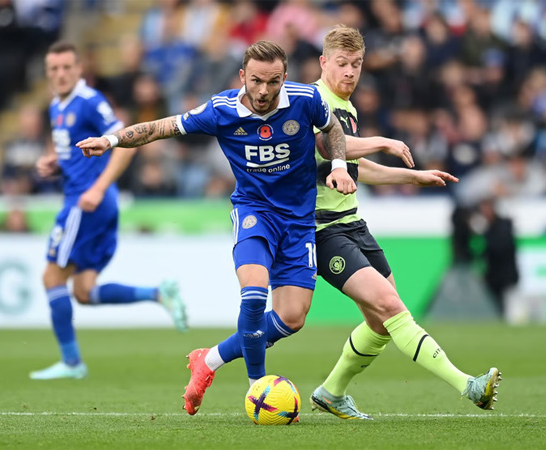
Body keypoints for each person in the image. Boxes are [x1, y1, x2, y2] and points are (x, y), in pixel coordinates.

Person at [166, 27, 501, 419]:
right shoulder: (306, 100)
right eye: (341, 64)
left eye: (357, 65)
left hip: (352, 222)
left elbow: (353, 168)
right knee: (390, 307)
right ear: (323, 63)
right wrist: (383, 140)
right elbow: (325, 147)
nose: (350, 73)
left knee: (377, 321)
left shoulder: (347, 106)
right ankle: (468, 386)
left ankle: (328, 391)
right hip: (321, 226)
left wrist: (412, 176)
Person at [77, 40, 356, 415]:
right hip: (254, 213)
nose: (263, 91)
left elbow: (332, 128)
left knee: (292, 318)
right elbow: (162, 127)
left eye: (273, 82)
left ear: (284, 78)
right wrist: (110, 140)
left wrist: (338, 165)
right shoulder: (220, 109)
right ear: (243, 76)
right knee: (254, 295)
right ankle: (257, 385)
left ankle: (208, 361)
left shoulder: (306, 99)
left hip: (298, 222)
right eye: (256, 80)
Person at [31, 42, 188, 381]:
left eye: (66, 68)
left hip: (86, 202)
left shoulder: (89, 101)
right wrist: (58, 163)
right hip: (94, 202)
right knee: (84, 291)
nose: (59, 74)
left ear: (78, 70)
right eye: (53, 69)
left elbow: (124, 145)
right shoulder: (57, 107)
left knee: (51, 277)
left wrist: (98, 188)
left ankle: (72, 363)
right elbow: (81, 153)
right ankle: (158, 294)